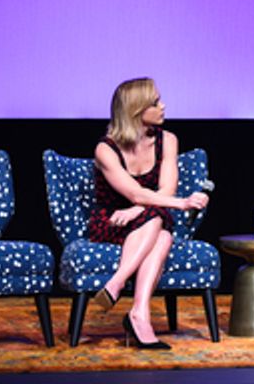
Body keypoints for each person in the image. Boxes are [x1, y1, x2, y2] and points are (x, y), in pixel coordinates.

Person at [90, 78, 210, 350]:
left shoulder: (168, 140)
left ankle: (130, 302)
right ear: (136, 110)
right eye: (155, 102)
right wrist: (180, 204)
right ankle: (132, 304)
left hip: (147, 216)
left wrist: (138, 210)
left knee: (160, 228)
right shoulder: (105, 149)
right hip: (114, 221)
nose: (163, 106)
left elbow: (167, 189)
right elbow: (134, 192)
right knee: (160, 226)